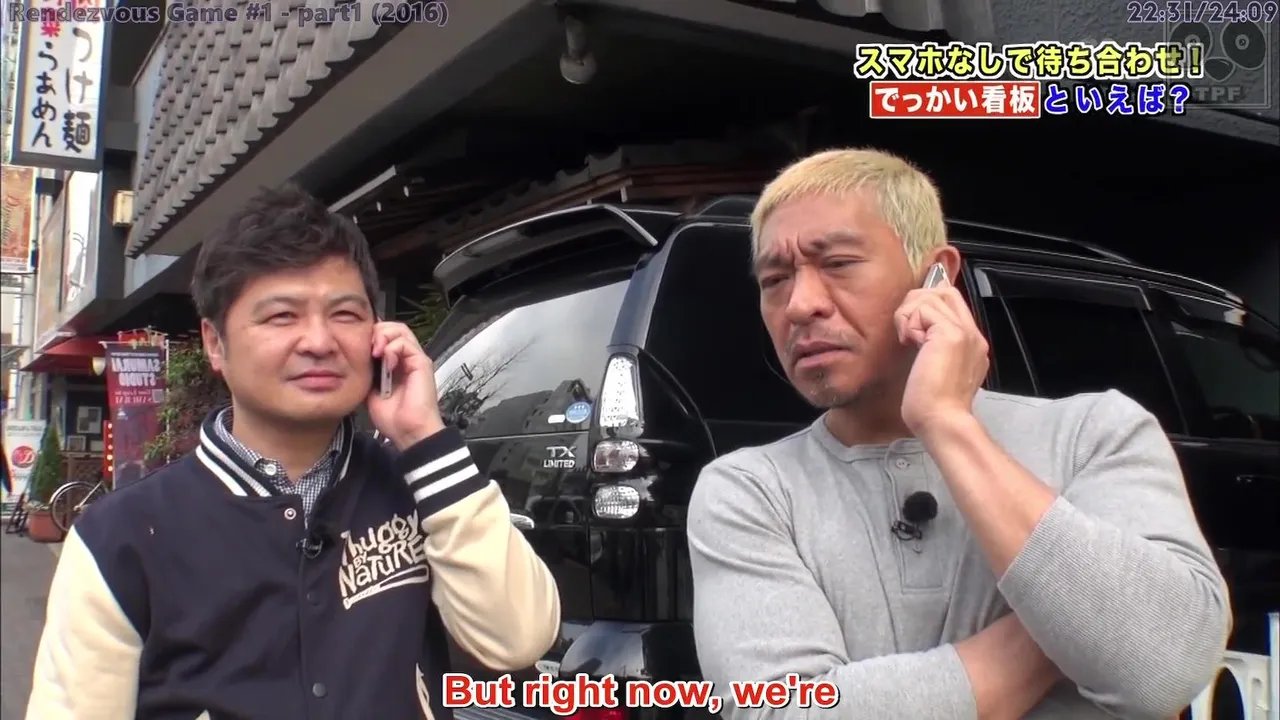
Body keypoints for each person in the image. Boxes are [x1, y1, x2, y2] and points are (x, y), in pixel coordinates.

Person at [687, 149, 1231, 719]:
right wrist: (1071, 623)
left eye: (839, 263)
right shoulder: (750, 490)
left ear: (936, 275)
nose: (799, 305)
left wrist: (946, 422)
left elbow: (1161, 668)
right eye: (775, 279)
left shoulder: (1094, 435)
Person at [26, 185, 561, 719]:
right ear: (215, 343)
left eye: (345, 314)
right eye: (282, 316)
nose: (319, 342)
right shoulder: (121, 537)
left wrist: (424, 437)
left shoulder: (420, 485)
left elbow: (517, 640)